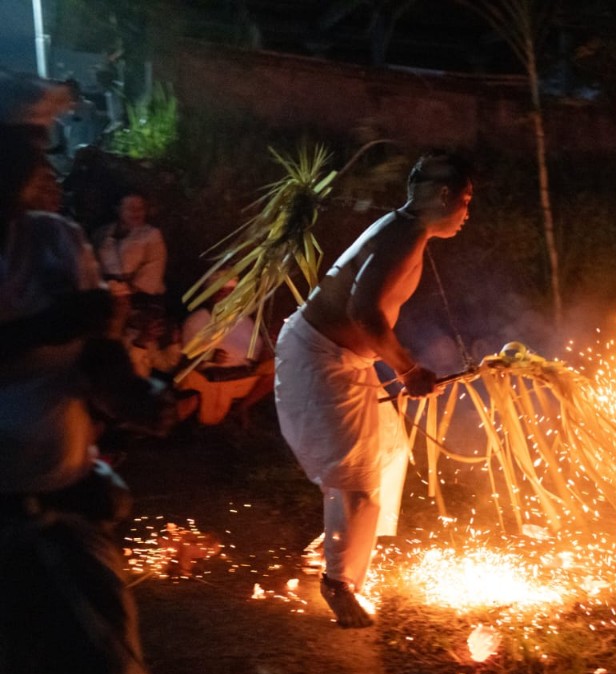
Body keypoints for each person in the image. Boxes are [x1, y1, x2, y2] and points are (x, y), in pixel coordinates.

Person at [1, 70, 168, 674]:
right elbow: (63, 327)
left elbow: (97, 354)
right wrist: (47, 327)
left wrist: (137, 397)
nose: (37, 164)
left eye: (39, 146)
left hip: (61, 509)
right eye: (22, 147)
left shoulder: (57, 239)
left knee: (107, 667)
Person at [274, 151, 474, 627]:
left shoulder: (406, 229)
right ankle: (339, 584)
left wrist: (402, 368)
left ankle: (332, 545)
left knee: (387, 451)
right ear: (443, 195)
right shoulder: (402, 236)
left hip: (343, 359)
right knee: (357, 478)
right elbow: (363, 313)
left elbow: (367, 315)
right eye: (466, 201)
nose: (468, 213)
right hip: (320, 358)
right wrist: (408, 370)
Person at [177, 275, 274, 427]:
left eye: (230, 292)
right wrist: (209, 357)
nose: (226, 296)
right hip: (210, 378)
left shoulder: (244, 320)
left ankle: (241, 408)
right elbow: (187, 358)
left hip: (240, 377)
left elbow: (256, 355)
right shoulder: (197, 320)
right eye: (221, 291)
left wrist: (270, 347)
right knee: (189, 380)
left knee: (275, 367)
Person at [92, 192, 168, 337]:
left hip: (141, 296)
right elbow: (93, 262)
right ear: (118, 209)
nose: (136, 212)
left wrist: (130, 289)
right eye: (131, 208)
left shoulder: (151, 234)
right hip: (108, 293)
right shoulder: (101, 233)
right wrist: (108, 286)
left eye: (140, 208)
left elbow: (155, 264)